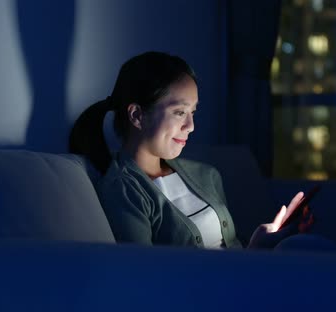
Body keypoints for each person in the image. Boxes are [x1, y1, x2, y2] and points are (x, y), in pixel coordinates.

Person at [69, 51, 312, 249]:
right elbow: (144, 277)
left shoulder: (206, 175)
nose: (191, 126)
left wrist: (258, 246)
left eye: (192, 112)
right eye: (179, 112)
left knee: (306, 245)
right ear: (137, 115)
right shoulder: (124, 190)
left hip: (243, 280)